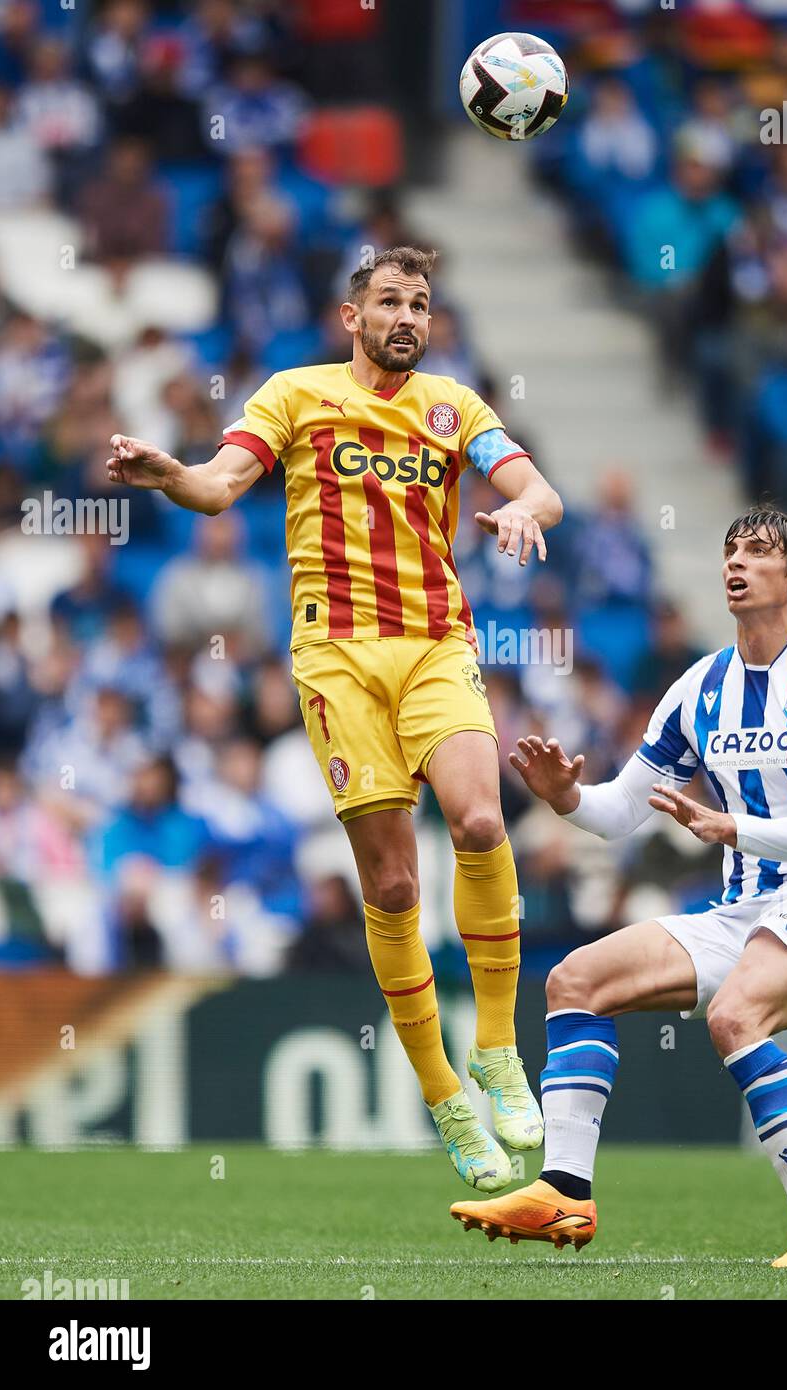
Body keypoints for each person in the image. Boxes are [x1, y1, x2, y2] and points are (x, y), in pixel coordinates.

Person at [106, 246, 562, 1191]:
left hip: (437, 642)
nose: (408, 315)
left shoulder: (452, 405)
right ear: (351, 317)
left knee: (480, 819)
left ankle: (497, 1051)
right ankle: (444, 1099)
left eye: (422, 303)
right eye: (390, 300)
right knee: (394, 888)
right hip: (337, 659)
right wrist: (167, 473)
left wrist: (526, 511)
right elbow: (218, 485)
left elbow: (535, 487)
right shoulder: (294, 394)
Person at [451, 508, 787, 1269]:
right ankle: (565, 1191)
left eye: (757, 551)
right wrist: (565, 799)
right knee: (573, 981)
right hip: (743, 904)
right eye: (728, 550)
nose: (735, 563)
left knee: (735, 1012)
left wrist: (729, 830)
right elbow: (621, 811)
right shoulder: (699, 686)